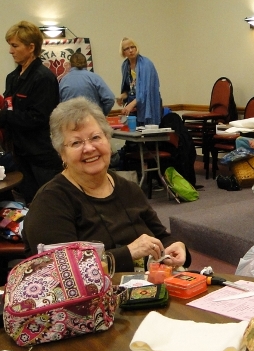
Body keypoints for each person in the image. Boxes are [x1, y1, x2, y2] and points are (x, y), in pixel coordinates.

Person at [23, 97, 191, 272]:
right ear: (62, 154)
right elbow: (60, 271)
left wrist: (176, 246)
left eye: (95, 137)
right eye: (76, 143)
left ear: (108, 140)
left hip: (150, 284)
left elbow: (162, 237)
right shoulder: (50, 202)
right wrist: (128, 253)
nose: (89, 148)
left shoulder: (129, 189)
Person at [2, 21, 63, 204]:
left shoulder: (43, 78)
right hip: (19, 153)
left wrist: (3, 117)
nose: (10, 51)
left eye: (15, 46)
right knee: (29, 201)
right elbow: (8, 105)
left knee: (50, 202)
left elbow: (38, 118)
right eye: (10, 45)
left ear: (31, 47)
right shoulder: (12, 78)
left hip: (41, 155)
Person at [116, 37, 162, 126]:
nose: (131, 50)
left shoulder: (146, 64)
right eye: (127, 49)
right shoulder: (125, 66)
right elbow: (129, 89)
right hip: (135, 107)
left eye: (132, 47)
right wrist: (121, 96)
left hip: (148, 105)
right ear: (123, 52)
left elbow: (147, 91)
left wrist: (132, 104)